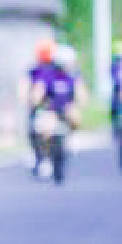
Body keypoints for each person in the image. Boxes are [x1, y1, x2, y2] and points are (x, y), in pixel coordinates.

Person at [28, 41, 81, 177]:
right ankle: (44, 158)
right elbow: (39, 90)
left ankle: (71, 138)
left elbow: (80, 92)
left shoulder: (73, 76)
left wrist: (77, 102)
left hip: (66, 109)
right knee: (45, 127)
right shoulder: (48, 74)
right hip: (50, 109)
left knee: (75, 116)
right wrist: (36, 100)